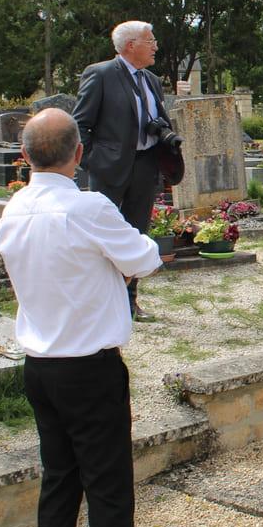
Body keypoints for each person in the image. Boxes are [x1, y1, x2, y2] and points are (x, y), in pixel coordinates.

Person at [0, 108, 162, 527]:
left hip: (41, 364)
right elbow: (146, 256)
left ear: (25, 156)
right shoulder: (86, 207)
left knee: (59, 486)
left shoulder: (14, 209)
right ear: (78, 153)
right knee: (109, 493)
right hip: (89, 365)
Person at [73, 20, 176, 321]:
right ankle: (99, 302)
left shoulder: (152, 80)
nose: (156, 45)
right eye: (151, 40)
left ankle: (130, 303)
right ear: (131, 45)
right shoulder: (101, 74)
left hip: (144, 166)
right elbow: (81, 122)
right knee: (102, 236)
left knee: (135, 235)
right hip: (109, 169)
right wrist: (91, 160)